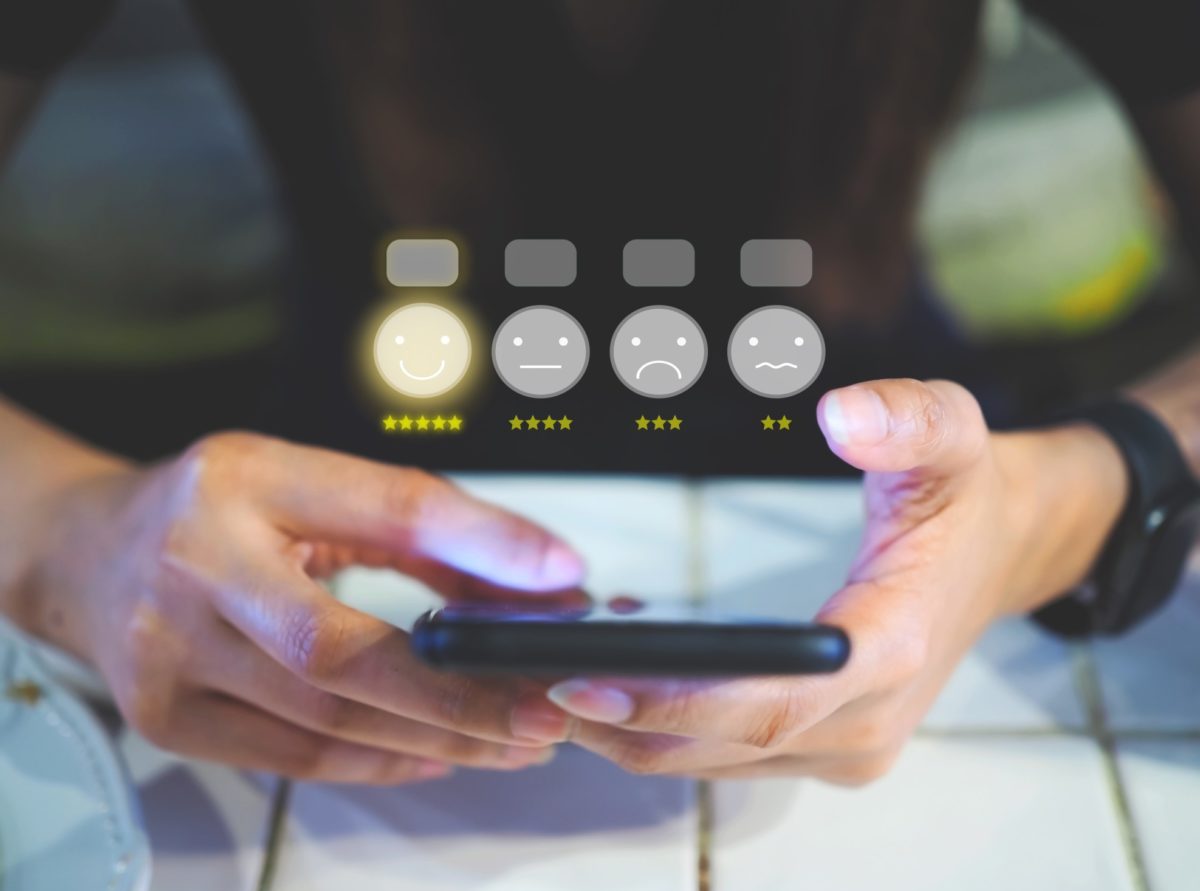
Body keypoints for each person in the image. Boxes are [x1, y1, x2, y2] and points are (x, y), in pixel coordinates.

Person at [1, 0, 1198, 786]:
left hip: (890, 467)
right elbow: (78, 534)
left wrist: (1065, 505)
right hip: (344, 482)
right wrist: (75, 534)